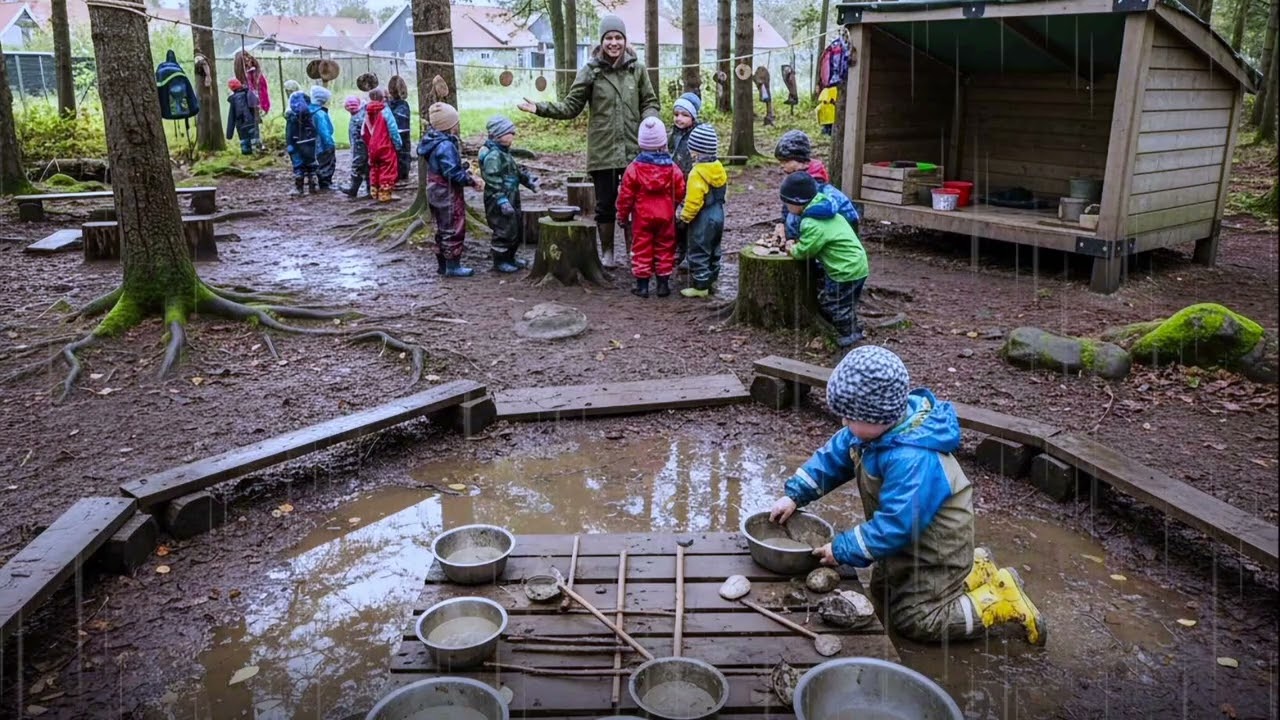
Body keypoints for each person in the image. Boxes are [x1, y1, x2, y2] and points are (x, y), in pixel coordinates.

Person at [769, 346, 1047, 646]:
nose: (843, 424)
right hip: (910, 542)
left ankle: (999, 601)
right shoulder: (874, 430)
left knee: (914, 620)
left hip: (936, 551)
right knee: (882, 591)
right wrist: (795, 495)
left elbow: (897, 524)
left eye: (850, 418)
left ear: (879, 416)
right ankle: (976, 570)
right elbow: (833, 458)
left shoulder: (913, 459)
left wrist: (844, 547)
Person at [516, 14, 659, 269]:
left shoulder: (637, 69)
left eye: (618, 37)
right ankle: (607, 252)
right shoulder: (591, 70)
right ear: (602, 41)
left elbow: (649, 102)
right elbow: (571, 107)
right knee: (605, 205)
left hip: (633, 150)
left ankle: (633, 252)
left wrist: (650, 122)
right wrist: (539, 107)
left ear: (625, 40)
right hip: (603, 150)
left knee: (635, 204)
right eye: (609, 38)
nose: (614, 43)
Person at [780, 172, 868, 347]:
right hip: (858, 264)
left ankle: (849, 336)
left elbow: (806, 251)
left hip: (844, 270)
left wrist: (793, 248)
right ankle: (854, 327)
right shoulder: (824, 207)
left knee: (833, 303)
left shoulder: (812, 222)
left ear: (798, 202)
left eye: (787, 203)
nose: (786, 206)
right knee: (846, 301)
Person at [616, 117, 685, 298]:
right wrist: (673, 205)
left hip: (642, 217)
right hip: (666, 216)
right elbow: (680, 190)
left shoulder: (633, 169)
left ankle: (643, 286)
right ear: (663, 142)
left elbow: (625, 196)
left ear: (641, 142)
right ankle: (663, 285)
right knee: (665, 247)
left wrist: (622, 216)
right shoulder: (672, 168)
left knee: (641, 248)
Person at [418, 102, 484, 277]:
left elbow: (444, 166)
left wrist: (462, 167)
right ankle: (453, 266)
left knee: (442, 226)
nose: (458, 124)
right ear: (448, 125)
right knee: (453, 226)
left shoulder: (434, 141)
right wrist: (471, 180)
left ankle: (443, 265)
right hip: (446, 192)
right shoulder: (445, 146)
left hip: (435, 190)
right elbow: (451, 173)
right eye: (455, 122)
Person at [479, 116, 540, 274]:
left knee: (514, 227)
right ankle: (500, 260)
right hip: (499, 199)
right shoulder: (493, 156)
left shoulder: (505, 153)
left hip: (512, 195)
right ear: (498, 135)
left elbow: (516, 171)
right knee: (503, 229)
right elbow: (492, 180)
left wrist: (528, 181)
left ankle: (511, 257)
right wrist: (501, 200)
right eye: (509, 133)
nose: (513, 135)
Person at [774, 130, 859, 240]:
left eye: (786, 161)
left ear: (801, 161)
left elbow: (798, 213)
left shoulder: (813, 186)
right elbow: (789, 205)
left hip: (836, 235)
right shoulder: (796, 180)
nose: (782, 166)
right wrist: (782, 224)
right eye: (781, 162)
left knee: (794, 219)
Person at [676, 124, 725, 299]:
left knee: (699, 249)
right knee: (714, 248)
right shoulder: (718, 167)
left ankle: (700, 285)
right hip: (719, 213)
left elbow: (694, 201)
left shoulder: (697, 173)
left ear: (695, 151)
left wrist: (685, 217)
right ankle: (712, 280)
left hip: (702, 217)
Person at [668, 92, 701, 269]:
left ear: (693, 116)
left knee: (690, 219)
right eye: (676, 114)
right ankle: (679, 249)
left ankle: (690, 253)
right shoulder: (672, 135)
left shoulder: (699, 134)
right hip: (674, 184)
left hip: (692, 184)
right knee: (675, 220)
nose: (679, 119)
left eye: (684, 115)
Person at [362, 88, 402, 203]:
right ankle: (385, 194)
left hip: (372, 146)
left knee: (375, 167)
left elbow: (363, 132)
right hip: (385, 145)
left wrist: (369, 144)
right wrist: (398, 144)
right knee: (388, 168)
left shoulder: (366, 112)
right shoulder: (385, 111)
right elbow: (393, 129)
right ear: (382, 98)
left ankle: (374, 191)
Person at [284, 89, 318, 196]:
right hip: (309, 143)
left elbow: (289, 133)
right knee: (311, 164)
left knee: (298, 166)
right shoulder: (310, 114)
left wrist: (289, 145)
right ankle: (313, 186)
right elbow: (314, 129)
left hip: (295, 144)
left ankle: (299, 189)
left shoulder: (291, 117)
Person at [342, 95, 369, 199]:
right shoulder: (361, 114)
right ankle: (368, 189)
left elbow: (358, 137)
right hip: (363, 146)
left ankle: (354, 189)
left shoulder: (357, 119)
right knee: (366, 167)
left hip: (360, 147)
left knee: (358, 166)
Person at [309, 86, 337, 191]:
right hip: (323, 145)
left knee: (319, 164)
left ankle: (320, 182)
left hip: (314, 145)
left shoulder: (310, 110)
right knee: (327, 164)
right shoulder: (320, 114)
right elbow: (324, 131)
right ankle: (325, 184)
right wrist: (330, 144)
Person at [387, 76, 413, 184]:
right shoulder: (403, 105)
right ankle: (402, 174)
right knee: (404, 153)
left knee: (396, 153)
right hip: (402, 132)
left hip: (393, 132)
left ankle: (397, 173)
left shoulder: (388, 105)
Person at [224, 78, 259, 155]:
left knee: (245, 145)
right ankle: (257, 153)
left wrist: (229, 135)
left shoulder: (233, 100)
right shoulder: (249, 93)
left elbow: (231, 118)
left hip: (241, 126)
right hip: (252, 123)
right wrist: (259, 120)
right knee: (255, 142)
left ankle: (247, 153)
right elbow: (255, 107)